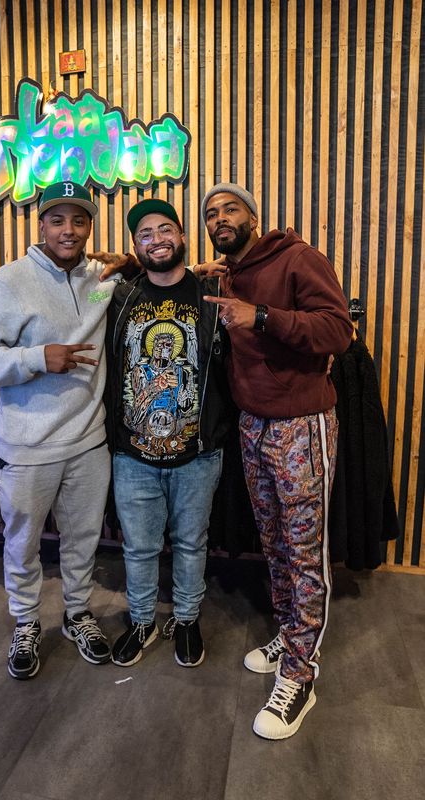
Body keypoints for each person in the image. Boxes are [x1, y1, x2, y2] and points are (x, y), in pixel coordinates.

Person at [202, 183, 353, 739]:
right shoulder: (229, 272)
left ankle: (301, 675)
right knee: (274, 543)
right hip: (253, 425)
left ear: (253, 217)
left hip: (300, 425)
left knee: (304, 551)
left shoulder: (298, 258)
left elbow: (338, 330)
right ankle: (291, 634)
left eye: (230, 209)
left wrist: (262, 317)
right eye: (211, 213)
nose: (220, 218)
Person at [0, 181, 121, 680]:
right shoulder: (8, 282)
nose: (68, 230)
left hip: (89, 441)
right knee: (23, 542)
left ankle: (77, 613)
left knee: (83, 538)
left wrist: (146, 266)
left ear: (89, 226)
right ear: (42, 224)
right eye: (58, 220)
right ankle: (26, 621)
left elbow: (138, 279)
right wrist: (36, 358)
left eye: (79, 220)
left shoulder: (100, 279)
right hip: (27, 446)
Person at [106, 198, 231, 668]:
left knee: (191, 543)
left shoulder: (212, 292)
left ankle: (186, 618)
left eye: (165, 230)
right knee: (138, 547)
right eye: (145, 234)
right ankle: (142, 621)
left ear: (181, 234)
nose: (156, 240)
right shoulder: (117, 296)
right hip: (132, 454)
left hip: (197, 453)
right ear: (135, 245)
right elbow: (80, 300)